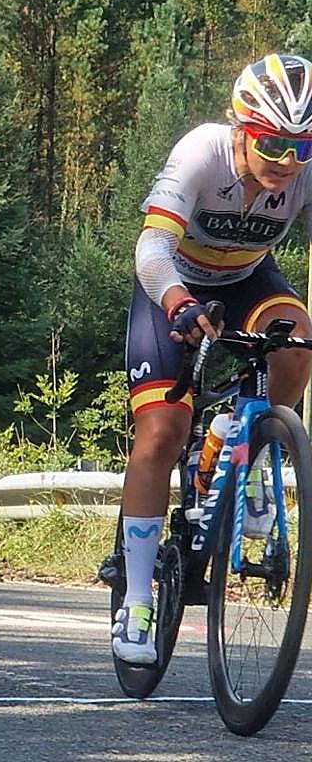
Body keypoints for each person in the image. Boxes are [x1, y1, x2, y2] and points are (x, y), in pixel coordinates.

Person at [115, 52, 312, 664]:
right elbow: (151, 247)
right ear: (241, 129)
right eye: (274, 143)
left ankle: (250, 450)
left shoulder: (303, 169)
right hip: (172, 284)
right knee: (161, 430)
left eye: (302, 147)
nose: (287, 162)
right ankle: (139, 600)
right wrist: (176, 302)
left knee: (298, 334)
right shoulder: (203, 151)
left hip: (249, 281)